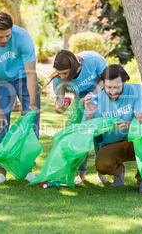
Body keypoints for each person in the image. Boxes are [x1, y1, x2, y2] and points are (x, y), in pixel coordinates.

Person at [0, 11, 40, 184]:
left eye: (8, 36)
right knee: (0, 124)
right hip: (1, 82)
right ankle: (1, 172)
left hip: (24, 77)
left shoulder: (22, 37)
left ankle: (28, 170)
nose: (4, 40)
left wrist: (32, 103)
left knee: (31, 122)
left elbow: (31, 74)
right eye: (0, 37)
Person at [83, 64, 142, 194]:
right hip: (111, 144)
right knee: (102, 165)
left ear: (124, 83)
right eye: (108, 87)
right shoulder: (95, 100)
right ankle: (119, 171)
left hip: (135, 141)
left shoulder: (136, 90)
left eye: (117, 87)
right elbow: (87, 133)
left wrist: (128, 124)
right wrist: (89, 114)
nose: (113, 91)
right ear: (103, 83)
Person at [44, 49, 107, 184]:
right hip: (81, 98)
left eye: (65, 74)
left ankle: (101, 173)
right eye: (59, 73)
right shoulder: (58, 80)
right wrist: (59, 108)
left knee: (99, 134)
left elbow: (106, 78)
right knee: (81, 135)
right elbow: (59, 104)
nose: (62, 77)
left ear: (74, 67)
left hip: (100, 92)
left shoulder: (93, 59)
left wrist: (94, 93)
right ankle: (81, 174)